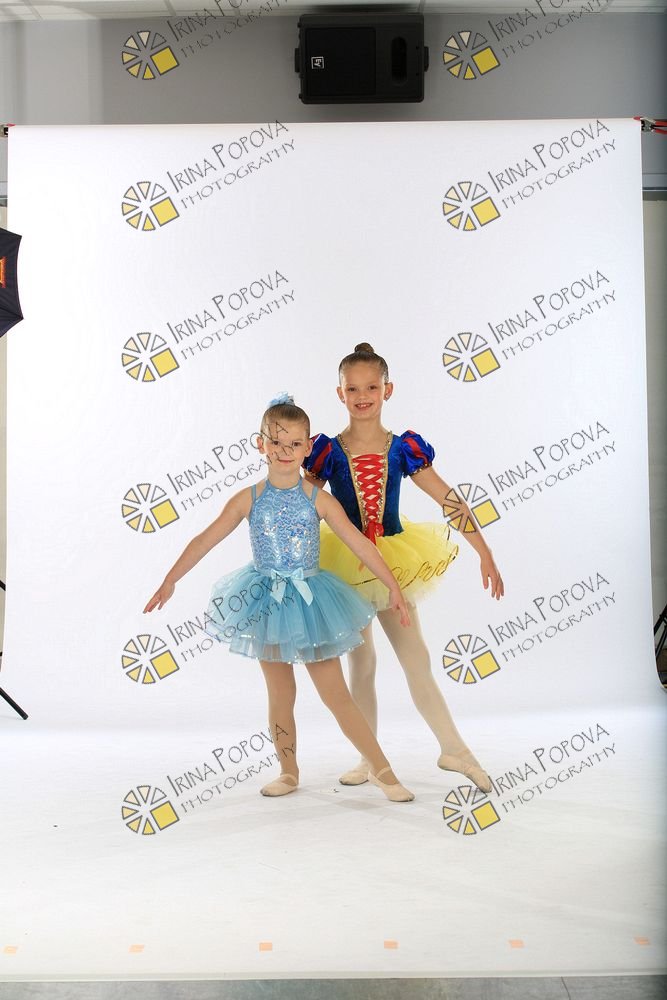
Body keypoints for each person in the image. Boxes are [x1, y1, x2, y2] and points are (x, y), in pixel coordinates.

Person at [144, 394, 415, 803]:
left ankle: (382, 770)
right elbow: (204, 540)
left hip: (310, 603)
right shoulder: (248, 499)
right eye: (276, 442)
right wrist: (171, 580)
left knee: (335, 694)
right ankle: (288, 771)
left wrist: (392, 585)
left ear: (308, 447)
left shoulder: (317, 499)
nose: (284, 451)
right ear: (261, 444)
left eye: (294, 444)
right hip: (266, 604)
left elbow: (358, 542)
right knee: (280, 693)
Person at [303, 344, 504, 794]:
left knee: (417, 659)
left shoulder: (402, 449)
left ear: (387, 390)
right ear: (340, 393)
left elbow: (448, 499)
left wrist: (484, 550)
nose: (362, 397)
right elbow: (303, 508)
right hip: (345, 567)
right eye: (353, 389)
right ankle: (368, 757)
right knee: (362, 662)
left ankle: (454, 749)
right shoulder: (327, 452)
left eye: (371, 387)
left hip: (395, 563)